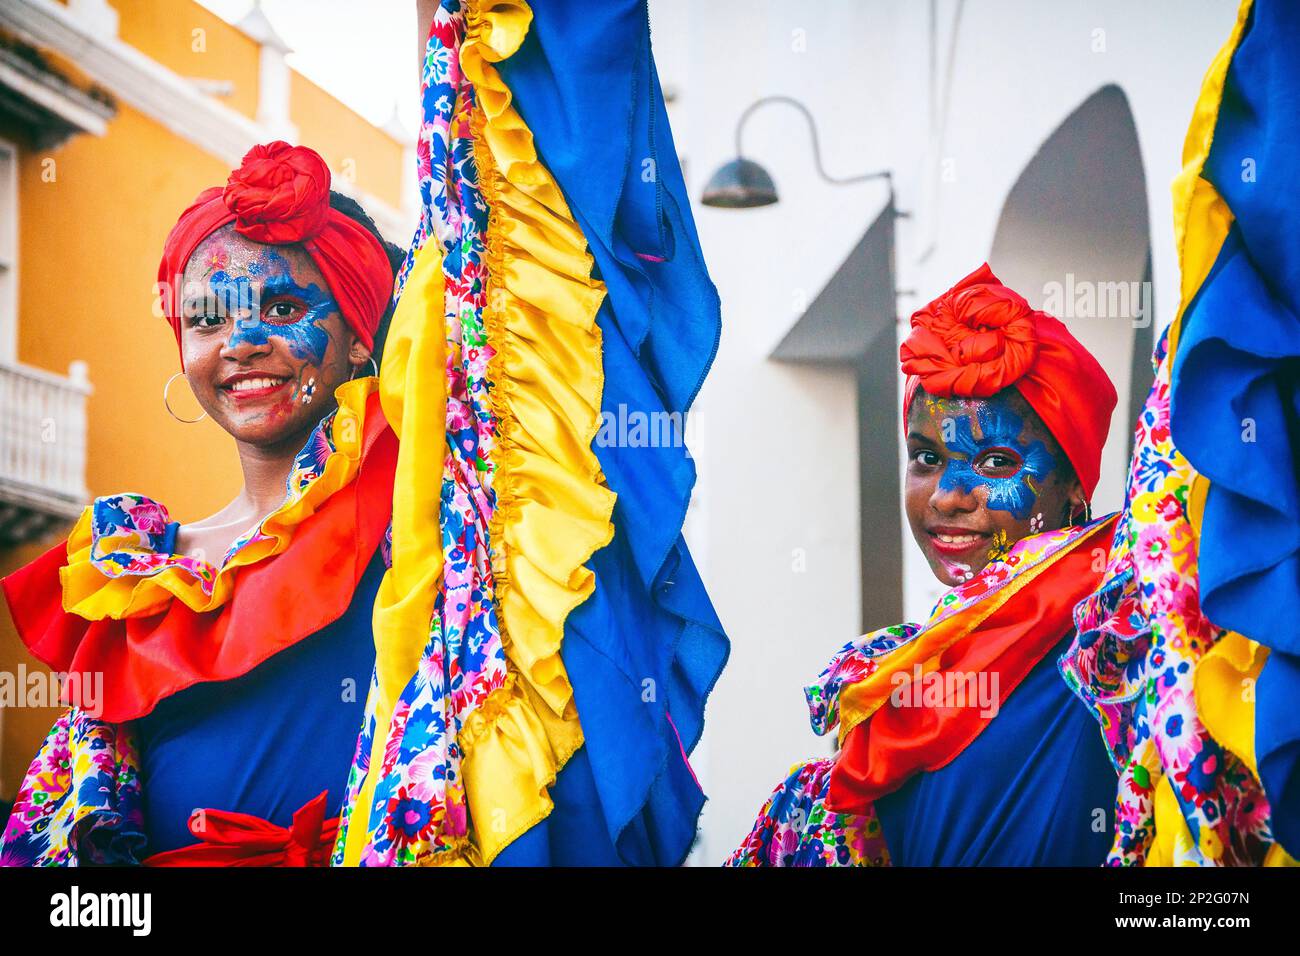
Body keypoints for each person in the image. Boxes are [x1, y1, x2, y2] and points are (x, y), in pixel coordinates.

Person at [0, 0, 728, 867]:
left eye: (282, 305)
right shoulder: (135, 581)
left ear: (356, 333)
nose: (242, 340)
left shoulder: (430, 517)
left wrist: (452, 28)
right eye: (207, 316)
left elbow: (479, 246)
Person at [729, 265, 1127, 866]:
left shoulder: (1117, 639)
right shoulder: (910, 672)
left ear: (1073, 484)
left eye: (996, 462)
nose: (946, 495)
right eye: (927, 456)